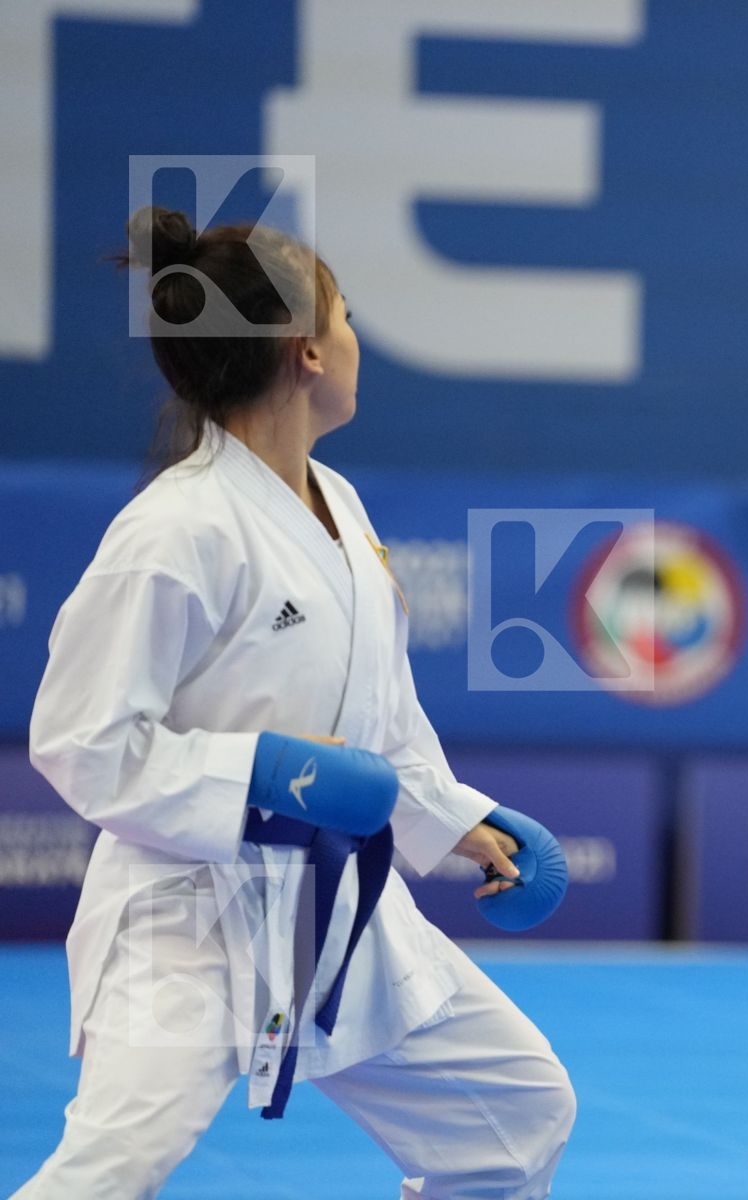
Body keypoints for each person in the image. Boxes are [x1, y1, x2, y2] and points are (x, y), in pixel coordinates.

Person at [14, 208, 576, 1199]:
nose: (360, 339)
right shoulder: (177, 530)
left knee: (516, 1112)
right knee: (112, 1166)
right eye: (348, 315)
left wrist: (460, 820)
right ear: (308, 350)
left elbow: (377, 729)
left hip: (328, 909)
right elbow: (81, 740)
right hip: (184, 911)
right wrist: (259, 769)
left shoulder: (339, 506)